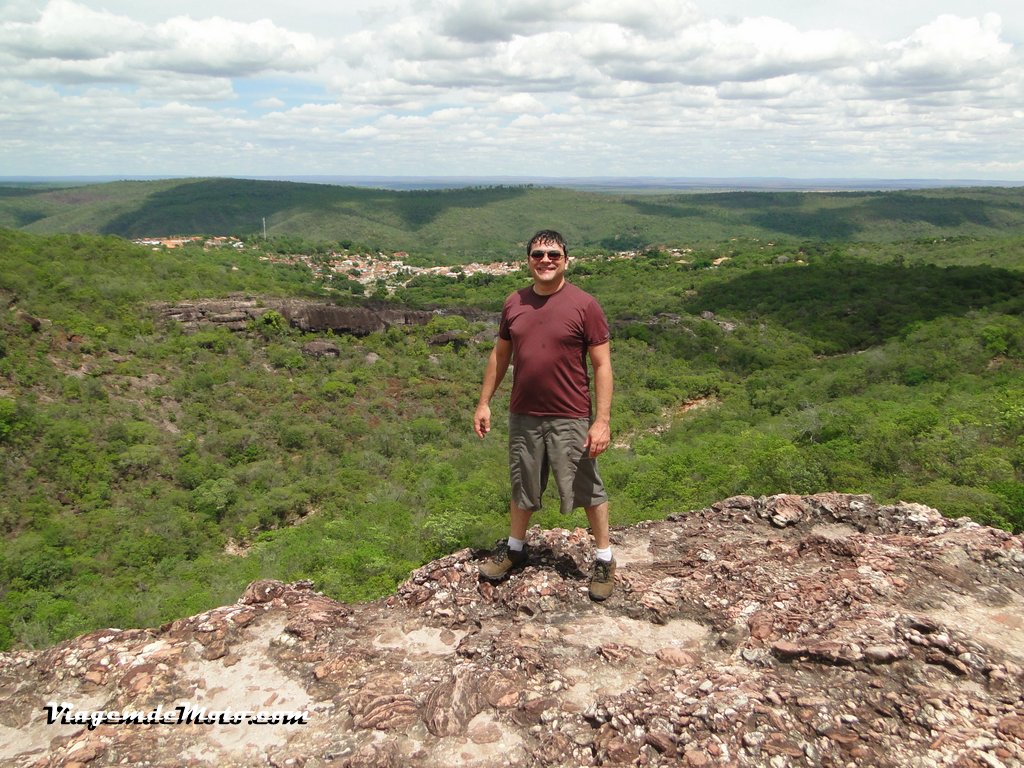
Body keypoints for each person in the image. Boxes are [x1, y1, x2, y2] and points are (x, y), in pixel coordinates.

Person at [473, 229, 616, 601]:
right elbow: (500, 355)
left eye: (553, 254)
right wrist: (484, 402)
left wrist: (601, 421)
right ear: (528, 260)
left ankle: (604, 558)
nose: (545, 260)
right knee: (523, 483)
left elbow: (602, 365)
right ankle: (515, 548)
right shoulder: (514, 302)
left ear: (565, 259)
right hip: (524, 412)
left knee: (587, 486)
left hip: (570, 413)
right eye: (538, 254)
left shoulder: (585, 305)